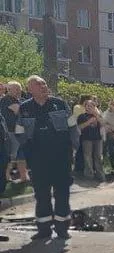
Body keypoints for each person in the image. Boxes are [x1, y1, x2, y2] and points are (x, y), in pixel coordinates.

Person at [19, 75, 74, 241]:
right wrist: (24, 157)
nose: (43, 86)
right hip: (37, 160)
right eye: (38, 84)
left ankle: (62, 228)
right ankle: (44, 229)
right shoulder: (25, 108)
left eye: (44, 83)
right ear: (30, 90)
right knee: (41, 194)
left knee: (62, 193)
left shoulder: (60, 104)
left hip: (61, 158)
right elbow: (20, 134)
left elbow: (73, 129)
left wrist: (73, 151)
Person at [1, 81, 29, 183]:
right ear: (9, 90)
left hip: (20, 132)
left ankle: (23, 176)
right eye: (16, 89)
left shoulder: (19, 100)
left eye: (20, 88)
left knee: (21, 155)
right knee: (12, 154)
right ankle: (6, 176)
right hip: (11, 131)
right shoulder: (6, 100)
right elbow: (19, 111)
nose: (19, 91)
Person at [77, 99, 104, 182]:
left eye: (91, 106)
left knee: (98, 156)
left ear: (94, 107)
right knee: (88, 157)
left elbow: (103, 124)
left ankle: (100, 174)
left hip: (98, 139)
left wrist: (96, 115)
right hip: (86, 139)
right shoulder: (81, 116)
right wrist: (89, 122)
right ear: (85, 107)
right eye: (87, 106)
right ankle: (89, 175)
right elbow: (79, 127)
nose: (89, 107)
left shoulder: (98, 115)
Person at [71, 94, 91, 174]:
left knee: (85, 150)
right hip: (79, 130)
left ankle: (83, 167)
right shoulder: (77, 107)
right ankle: (78, 168)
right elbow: (79, 116)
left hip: (88, 131)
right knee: (79, 149)